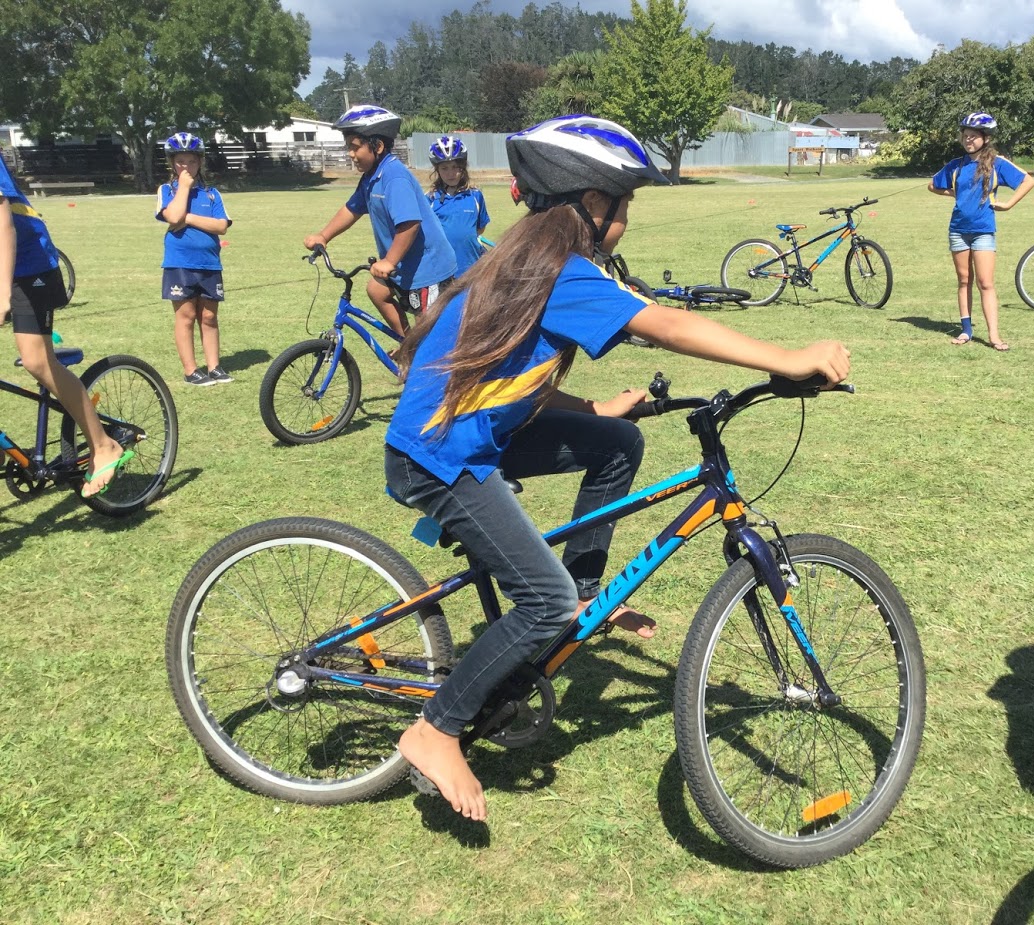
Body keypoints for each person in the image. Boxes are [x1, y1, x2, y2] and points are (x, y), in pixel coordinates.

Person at [385, 115, 851, 822]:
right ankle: (436, 729)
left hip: (477, 431)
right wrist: (787, 358)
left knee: (615, 444)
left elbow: (515, 369)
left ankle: (578, 593)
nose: (625, 220)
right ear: (587, 204)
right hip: (439, 452)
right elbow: (662, 322)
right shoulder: (559, 271)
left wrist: (596, 406)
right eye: (622, 205)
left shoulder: (528, 266)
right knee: (536, 600)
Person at [0, 157, 130, 496]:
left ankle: (103, 444)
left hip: (28, 266)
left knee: (37, 361)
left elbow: (3, 222)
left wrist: (3, 295)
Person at [304, 106, 456, 337]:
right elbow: (352, 208)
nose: (351, 154)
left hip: (428, 269)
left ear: (378, 146)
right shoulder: (371, 178)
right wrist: (324, 236)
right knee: (376, 290)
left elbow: (410, 224)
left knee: (430, 335)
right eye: (349, 148)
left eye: (355, 147)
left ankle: (424, 360)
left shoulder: (394, 177)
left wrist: (389, 261)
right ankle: (408, 344)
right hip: (404, 267)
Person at [928, 112, 1034, 352]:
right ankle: (966, 330)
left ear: (985, 138)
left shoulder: (997, 163)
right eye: (965, 136)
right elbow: (933, 185)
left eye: (973, 136)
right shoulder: (956, 165)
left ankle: (994, 336)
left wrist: (1008, 204)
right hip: (958, 230)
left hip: (983, 231)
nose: (968, 140)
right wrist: (954, 193)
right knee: (964, 280)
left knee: (986, 283)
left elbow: (1027, 180)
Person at [156, 132, 233, 386]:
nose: (185, 167)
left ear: (200, 162)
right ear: (172, 163)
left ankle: (214, 366)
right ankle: (191, 370)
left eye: (191, 161)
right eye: (180, 162)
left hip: (209, 263)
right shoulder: (167, 190)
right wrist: (185, 187)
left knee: (209, 317)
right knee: (186, 315)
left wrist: (188, 219)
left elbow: (221, 225)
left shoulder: (212, 194)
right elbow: (172, 216)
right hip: (179, 263)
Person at [427, 136, 490, 277]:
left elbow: (480, 228)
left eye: (455, 167)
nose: (451, 173)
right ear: (437, 170)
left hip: (472, 270)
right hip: (442, 273)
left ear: (463, 168)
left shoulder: (475, 196)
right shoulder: (430, 199)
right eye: (444, 168)